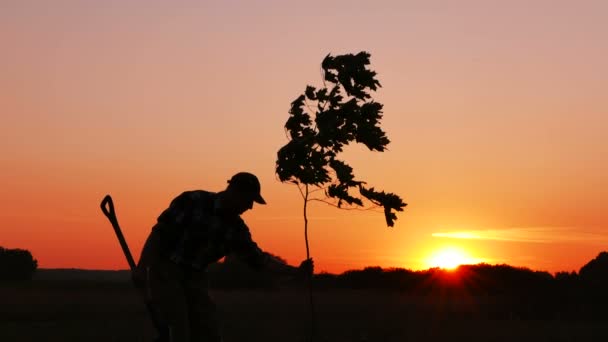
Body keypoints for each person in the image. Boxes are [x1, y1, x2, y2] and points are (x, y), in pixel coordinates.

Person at [134, 172, 313, 342]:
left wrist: (296, 271)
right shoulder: (193, 201)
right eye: (249, 199)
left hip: (195, 276)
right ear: (235, 192)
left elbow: (259, 260)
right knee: (178, 327)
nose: (250, 207)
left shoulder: (236, 229)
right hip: (166, 269)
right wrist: (142, 268)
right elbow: (159, 234)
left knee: (209, 329)